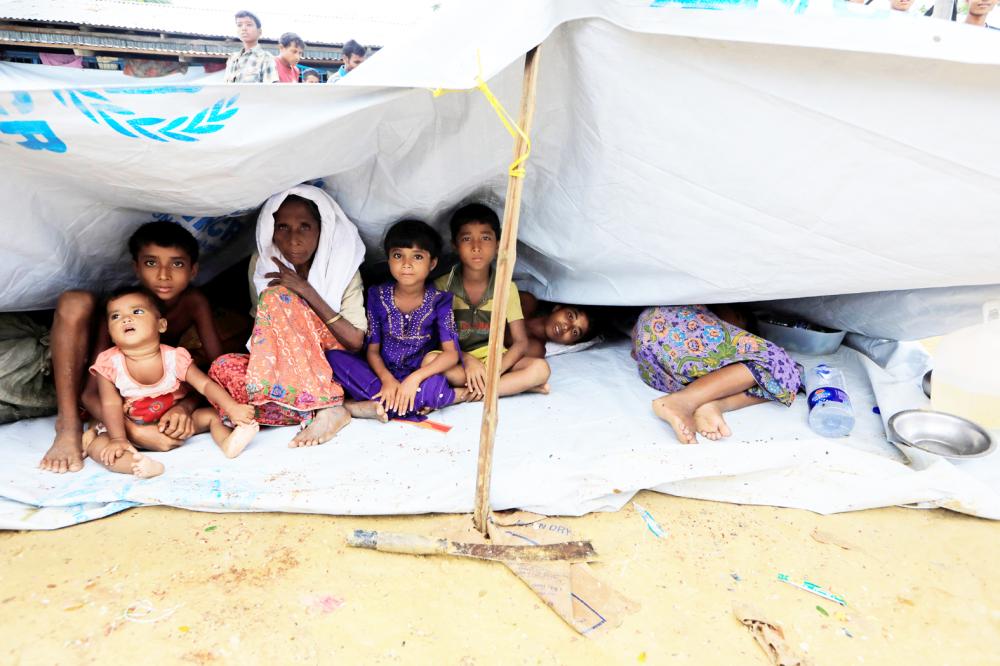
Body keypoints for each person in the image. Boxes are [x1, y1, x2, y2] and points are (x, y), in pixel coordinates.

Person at [40, 221, 223, 474]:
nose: (163, 275)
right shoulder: (120, 310)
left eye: (177, 264)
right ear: (136, 268)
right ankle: (68, 425)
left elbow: (217, 371)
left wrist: (186, 406)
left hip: (157, 395)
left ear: (193, 270)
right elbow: (91, 392)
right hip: (108, 395)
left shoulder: (193, 302)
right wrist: (132, 431)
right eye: (151, 263)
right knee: (75, 300)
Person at [209, 185, 368, 447]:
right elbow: (265, 337)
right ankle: (334, 408)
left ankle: (326, 403)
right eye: (283, 227)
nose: (294, 238)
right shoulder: (262, 264)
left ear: (322, 228)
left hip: (334, 367)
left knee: (276, 296)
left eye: (305, 226)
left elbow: (356, 342)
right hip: (289, 374)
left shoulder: (343, 264)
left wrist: (305, 291)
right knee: (222, 368)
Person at [85, 287, 258, 477]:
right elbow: (110, 403)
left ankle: (228, 443)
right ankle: (139, 466)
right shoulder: (108, 363)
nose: (126, 318)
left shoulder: (175, 358)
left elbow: (205, 385)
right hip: (129, 430)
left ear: (161, 325)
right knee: (99, 447)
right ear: (110, 333)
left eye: (137, 311)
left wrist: (232, 408)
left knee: (212, 416)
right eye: (115, 316)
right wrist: (118, 438)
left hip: (176, 425)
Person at [326, 220, 469, 420]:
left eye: (417, 257)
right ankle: (422, 400)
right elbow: (373, 351)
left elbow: (451, 354)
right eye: (398, 255)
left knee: (433, 387)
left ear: (433, 263)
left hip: (421, 376)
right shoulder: (377, 295)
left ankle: (370, 405)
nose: (406, 264)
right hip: (381, 375)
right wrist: (387, 380)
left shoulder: (440, 301)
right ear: (389, 259)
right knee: (334, 358)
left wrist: (414, 379)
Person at [631, 305, 801, 445]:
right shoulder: (694, 312)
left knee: (785, 378)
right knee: (781, 363)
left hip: (655, 368)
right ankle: (684, 401)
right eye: (739, 324)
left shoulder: (707, 364)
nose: (738, 331)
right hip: (666, 324)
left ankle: (714, 404)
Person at [435, 204, 550, 399]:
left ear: (498, 244)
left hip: (495, 359)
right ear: (455, 245)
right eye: (466, 238)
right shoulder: (441, 287)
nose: (476, 247)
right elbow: (436, 340)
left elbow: (521, 342)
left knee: (540, 368)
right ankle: (508, 387)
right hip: (458, 359)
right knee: (430, 361)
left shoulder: (506, 287)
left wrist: (495, 370)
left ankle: (464, 394)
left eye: (486, 238)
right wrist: (469, 360)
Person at [518, 292, 593, 358]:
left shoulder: (536, 349)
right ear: (557, 308)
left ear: (569, 343)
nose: (566, 327)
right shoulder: (527, 301)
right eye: (570, 316)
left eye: (575, 332)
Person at [224, 10, 278, 84]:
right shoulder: (232, 59)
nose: (243, 28)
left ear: (259, 32)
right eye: (239, 25)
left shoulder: (266, 58)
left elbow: (271, 91)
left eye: (249, 24)